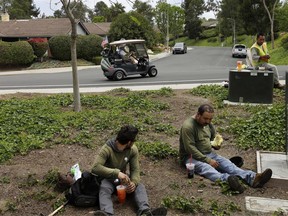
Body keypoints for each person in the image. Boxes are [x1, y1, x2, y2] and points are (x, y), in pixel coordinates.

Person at [179, 104, 272, 194]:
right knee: (207, 169)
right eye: (205, 118)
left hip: (208, 153)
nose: (208, 121)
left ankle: (253, 178)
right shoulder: (188, 126)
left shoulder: (208, 124)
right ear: (198, 115)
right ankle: (228, 180)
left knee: (228, 164)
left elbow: (212, 138)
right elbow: (190, 148)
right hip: (191, 158)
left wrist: (216, 144)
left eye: (210, 119)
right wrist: (208, 160)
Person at [92, 125, 167, 216]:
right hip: (108, 179)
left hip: (123, 180)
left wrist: (133, 183)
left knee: (140, 186)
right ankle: (107, 213)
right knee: (104, 188)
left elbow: (135, 169)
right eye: (133, 141)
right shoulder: (107, 149)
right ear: (129, 142)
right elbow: (95, 167)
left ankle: (145, 211)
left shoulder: (132, 150)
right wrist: (117, 173)